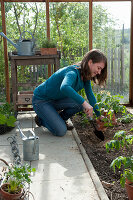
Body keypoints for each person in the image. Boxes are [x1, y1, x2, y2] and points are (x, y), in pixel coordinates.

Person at [32, 49, 107, 137]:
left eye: (101, 70)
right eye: (99, 68)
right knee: (61, 131)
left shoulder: (86, 77)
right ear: (90, 62)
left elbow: (90, 95)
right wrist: (85, 103)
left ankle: (59, 119)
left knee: (79, 104)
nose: (99, 72)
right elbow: (64, 87)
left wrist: (98, 116)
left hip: (56, 100)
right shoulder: (72, 72)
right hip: (41, 100)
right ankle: (41, 119)